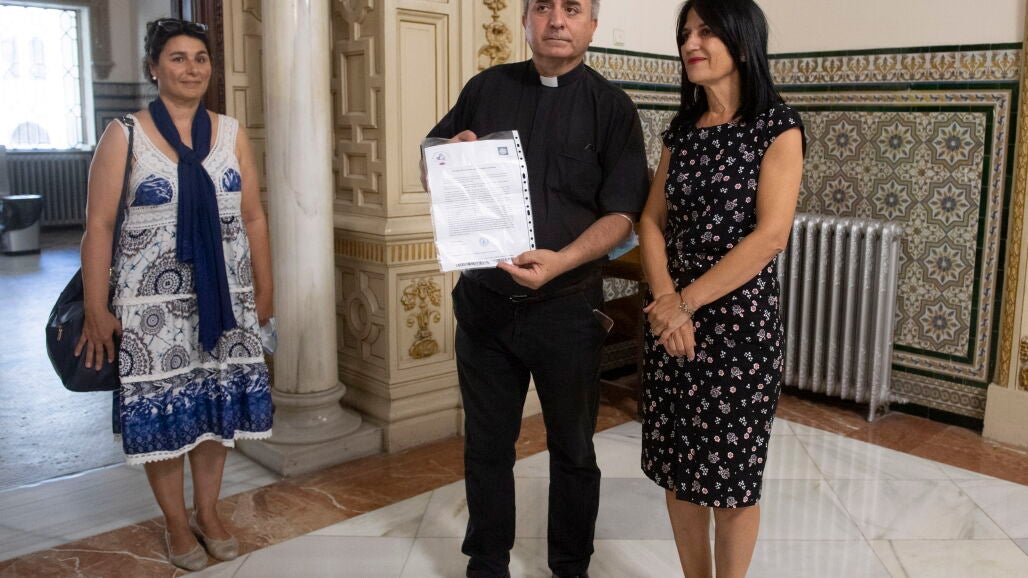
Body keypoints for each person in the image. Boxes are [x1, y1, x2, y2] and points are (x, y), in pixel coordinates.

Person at [424, 1, 649, 576]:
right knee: (486, 445)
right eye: (542, 6)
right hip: (486, 306)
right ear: (525, 21)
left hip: (567, 310)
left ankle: (570, 567)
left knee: (573, 449)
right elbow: (431, 162)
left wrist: (562, 261)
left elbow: (623, 213)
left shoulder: (612, 107)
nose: (556, 20)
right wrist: (444, 157)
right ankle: (487, 562)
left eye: (572, 8)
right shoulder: (486, 88)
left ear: (591, 25)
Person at [77, 18, 274, 572]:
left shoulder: (231, 132)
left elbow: (254, 217)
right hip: (149, 309)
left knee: (215, 407)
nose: (192, 69)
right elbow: (98, 226)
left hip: (227, 300)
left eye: (200, 58)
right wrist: (96, 308)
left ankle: (208, 513)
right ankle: (175, 521)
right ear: (153, 68)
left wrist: (266, 287)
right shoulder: (125, 134)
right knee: (163, 417)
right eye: (178, 58)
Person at [636, 0, 804, 576]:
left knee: (731, 483)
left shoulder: (777, 127)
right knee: (679, 473)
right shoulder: (681, 132)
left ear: (742, 40)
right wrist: (666, 303)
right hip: (670, 324)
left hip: (738, 330)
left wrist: (684, 303)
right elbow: (650, 220)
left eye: (706, 31)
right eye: (685, 33)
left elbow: (771, 236)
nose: (691, 43)